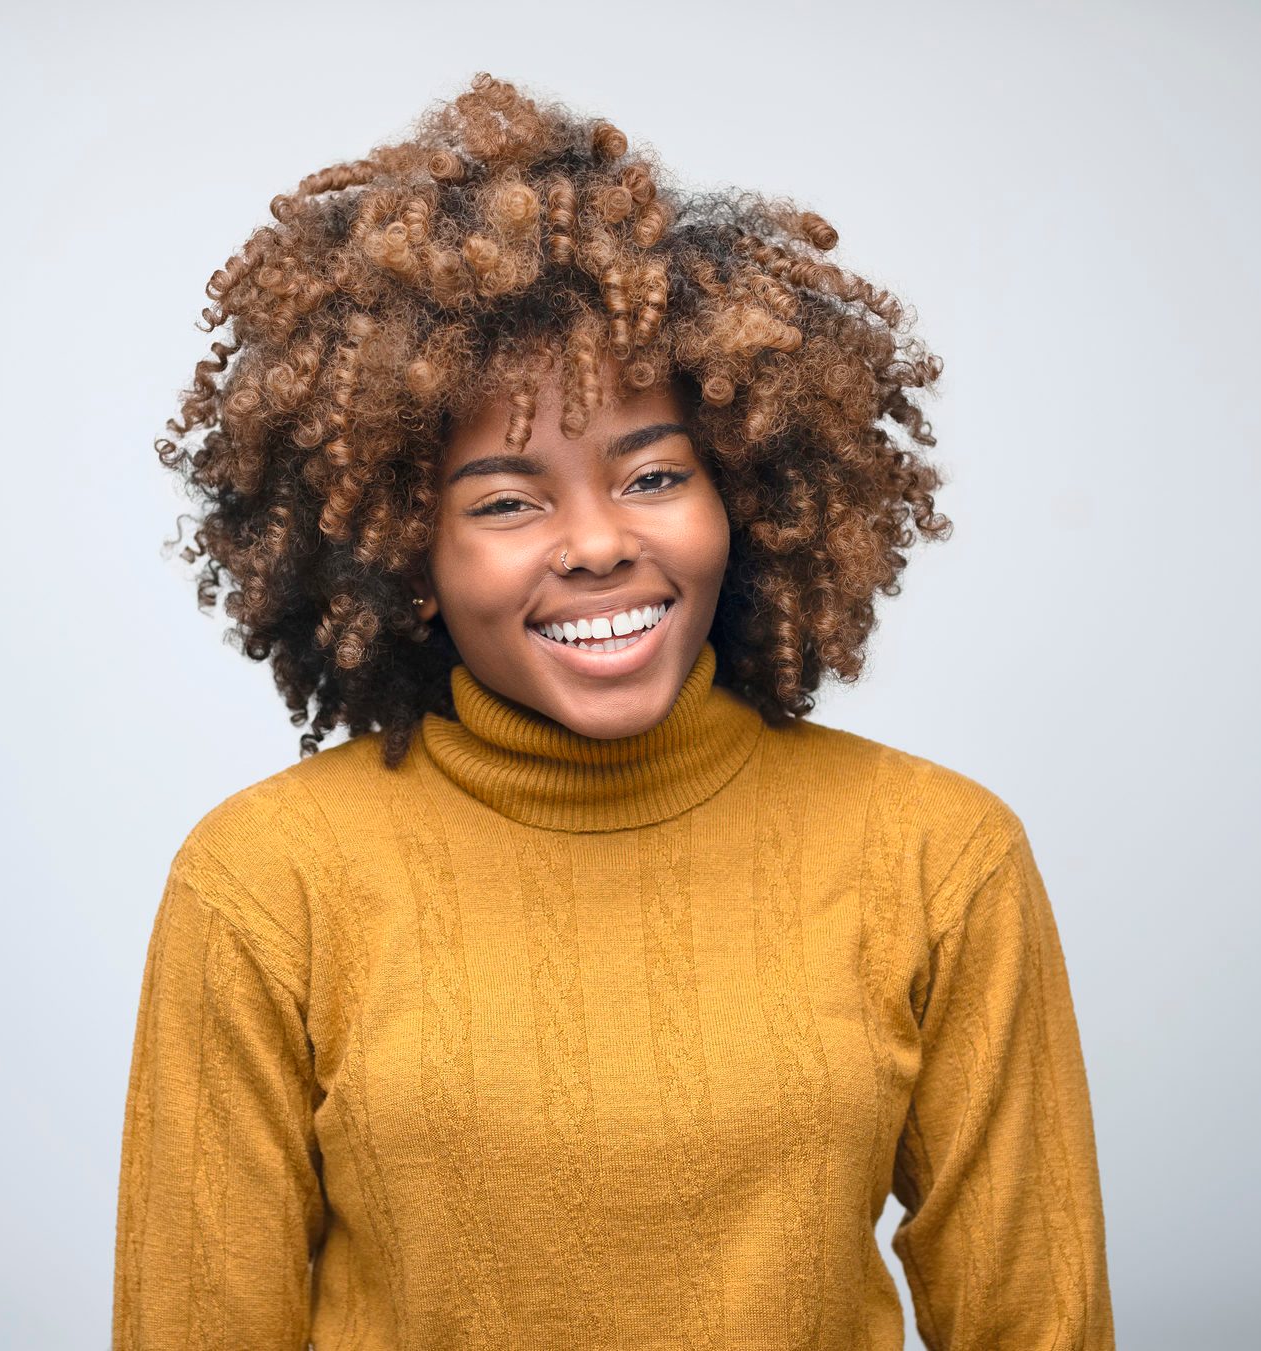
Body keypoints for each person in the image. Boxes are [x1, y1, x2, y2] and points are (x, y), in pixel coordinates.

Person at [113, 72, 1115, 1351]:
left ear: (745, 495)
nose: (596, 544)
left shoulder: (935, 855)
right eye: (506, 499)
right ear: (405, 552)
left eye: (652, 473)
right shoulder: (266, 883)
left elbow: (1041, 1325)